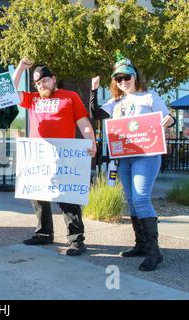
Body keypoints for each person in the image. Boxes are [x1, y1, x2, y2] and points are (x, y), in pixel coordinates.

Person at [90, 53, 175, 271]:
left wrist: (169, 120)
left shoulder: (149, 97)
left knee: (141, 198)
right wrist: (93, 90)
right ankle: (140, 245)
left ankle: (154, 252)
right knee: (131, 199)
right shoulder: (115, 102)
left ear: (134, 76)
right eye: (118, 79)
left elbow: (168, 117)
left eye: (126, 77)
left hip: (146, 155)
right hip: (124, 157)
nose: (123, 82)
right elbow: (95, 114)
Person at [12, 58, 97, 256]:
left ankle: (76, 239)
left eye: (45, 80)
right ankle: (44, 233)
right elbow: (9, 93)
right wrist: (19, 68)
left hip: (64, 156)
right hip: (39, 157)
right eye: (38, 83)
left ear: (53, 79)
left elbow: (83, 122)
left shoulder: (70, 97)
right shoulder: (33, 99)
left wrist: (91, 142)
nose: (42, 85)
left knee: (68, 198)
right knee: (38, 196)